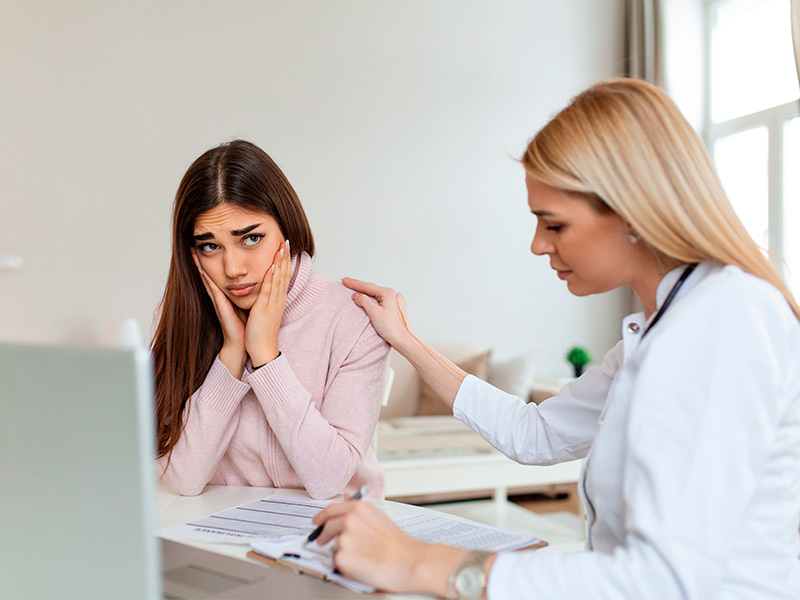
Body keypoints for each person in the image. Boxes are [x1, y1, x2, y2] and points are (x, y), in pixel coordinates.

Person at [311, 79, 800, 598]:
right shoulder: (663, 329)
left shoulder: (721, 321)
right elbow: (534, 433)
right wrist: (407, 340)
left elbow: (665, 581)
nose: (537, 245)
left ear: (632, 212)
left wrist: (420, 564)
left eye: (555, 224)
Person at [151, 140, 390, 499]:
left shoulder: (354, 319)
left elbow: (329, 479)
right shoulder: (181, 319)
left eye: (251, 238)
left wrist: (264, 354)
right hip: (219, 532)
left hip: (334, 537)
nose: (232, 269)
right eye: (210, 246)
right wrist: (231, 353)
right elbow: (183, 478)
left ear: (287, 228)